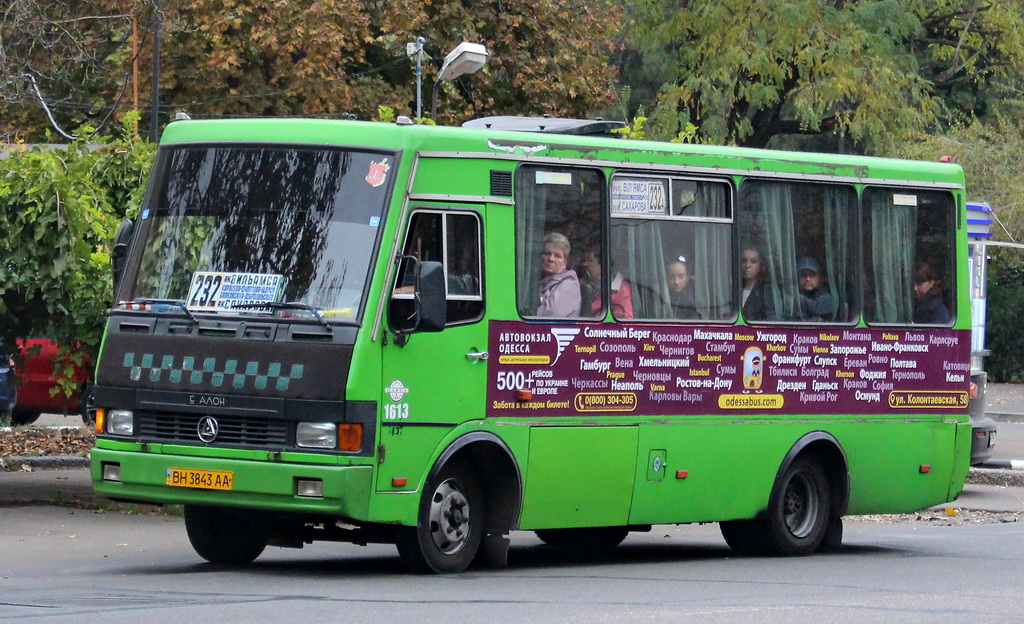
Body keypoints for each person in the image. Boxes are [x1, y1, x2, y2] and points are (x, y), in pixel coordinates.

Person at [536, 232, 581, 317]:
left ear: (565, 262)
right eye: (547, 253)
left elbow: (550, 317)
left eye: (557, 256)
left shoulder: (569, 285)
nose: (551, 259)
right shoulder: (539, 281)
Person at [579, 250, 634, 319]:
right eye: (585, 260)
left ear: (602, 265)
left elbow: (626, 319)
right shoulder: (581, 285)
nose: (585, 264)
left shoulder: (622, 289)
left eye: (590, 261)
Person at [740, 247, 776, 321]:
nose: (747, 265)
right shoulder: (734, 290)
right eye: (744, 261)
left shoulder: (766, 291)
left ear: (761, 266)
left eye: (753, 262)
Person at [796, 255, 834, 321]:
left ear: (820, 278)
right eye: (803, 275)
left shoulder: (829, 295)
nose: (807, 279)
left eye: (812, 275)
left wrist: (791, 295)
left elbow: (817, 308)